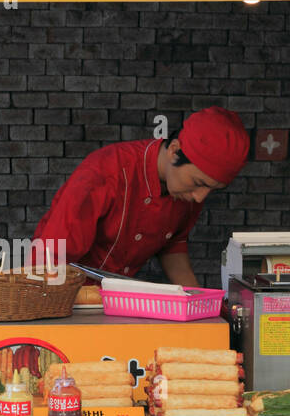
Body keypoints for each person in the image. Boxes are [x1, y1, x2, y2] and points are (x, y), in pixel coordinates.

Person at [32, 107, 250, 286]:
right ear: (175, 151)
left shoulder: (186, 193)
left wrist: (196, 301)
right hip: (63, 295)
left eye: (212, 189)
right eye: (199, 183)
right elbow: (50, 258)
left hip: (116, 301)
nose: (200, 197)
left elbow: (173, 244)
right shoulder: (105, 172)